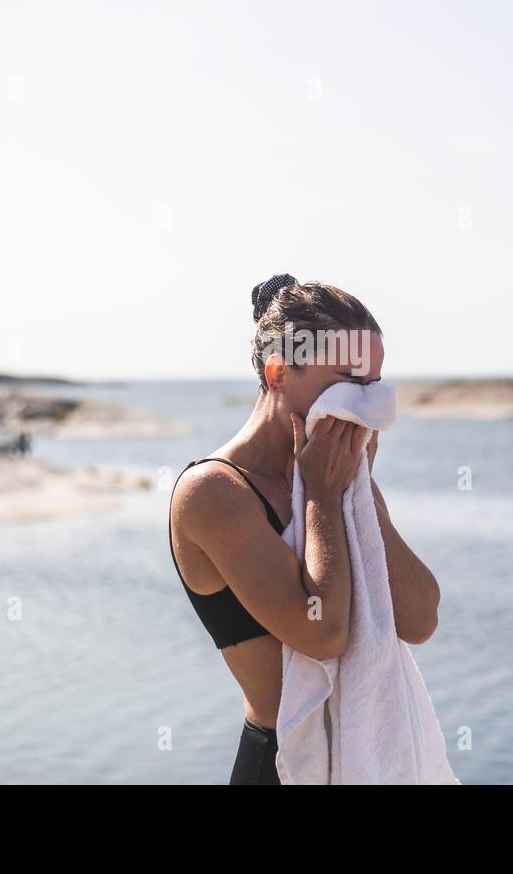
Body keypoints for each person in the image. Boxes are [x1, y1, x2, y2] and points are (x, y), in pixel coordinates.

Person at [167, 274, 442, 784]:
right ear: (278, 373)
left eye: (373, 386)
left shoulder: (338, 473)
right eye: (346, 381)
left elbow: (421, 619)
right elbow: (323, 632)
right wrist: (319, 495)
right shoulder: (214, 493)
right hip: (280, 765)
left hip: (364, 756)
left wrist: (360, 492)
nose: (364, 404)